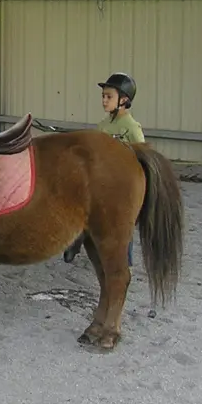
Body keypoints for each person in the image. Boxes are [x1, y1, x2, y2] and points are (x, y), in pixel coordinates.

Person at [63, 72, 144, 263]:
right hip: (102, 180)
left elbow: (142, 155)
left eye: (109, 97)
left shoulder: (131, 127)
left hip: (121, 184)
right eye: (103, 96)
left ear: (123, 100)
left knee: (124, 222)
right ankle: (77, 240)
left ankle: (125, 260)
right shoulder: (103, 126)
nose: (104, 101)